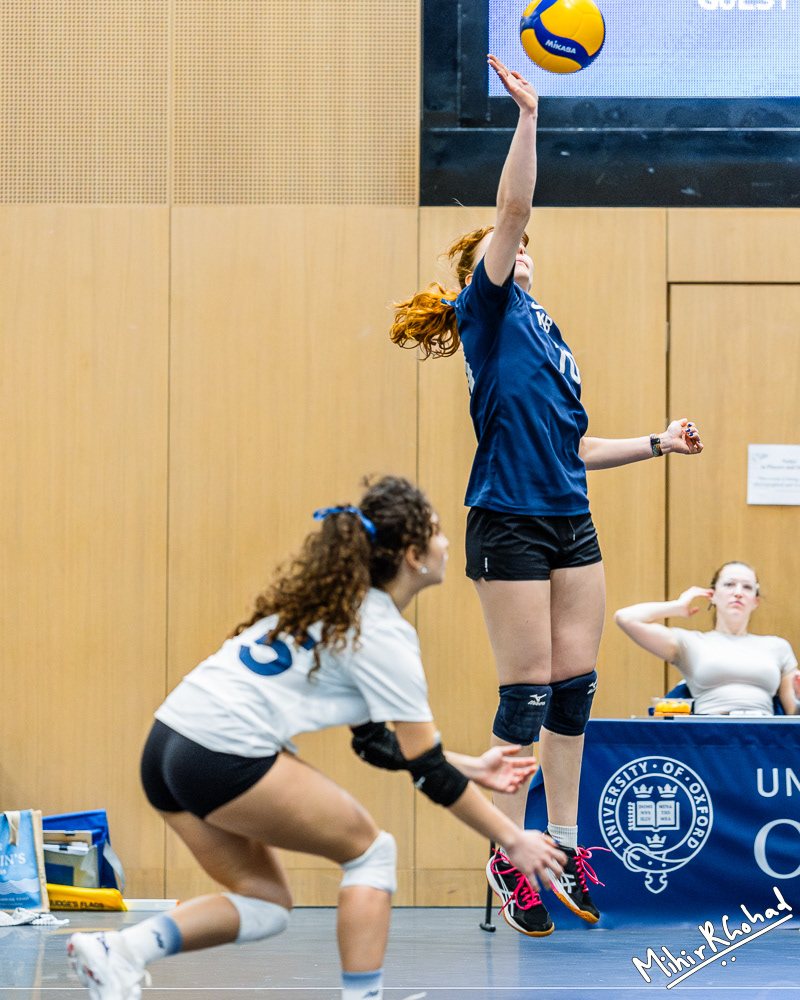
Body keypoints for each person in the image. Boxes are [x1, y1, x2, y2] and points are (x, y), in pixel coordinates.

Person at [389, 55, 704, 936]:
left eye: (523, 248)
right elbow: (514, 206)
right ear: (489, 263)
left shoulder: (550, 332)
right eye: (510, 245)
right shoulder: (485, 311)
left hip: (569, 516)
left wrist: (656, 444)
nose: (523, 249)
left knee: (576, 691)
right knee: (525, 694)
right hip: (508, 520)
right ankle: (506, 847)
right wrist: (528, 119)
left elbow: (573, 447)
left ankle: (563, 848)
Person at [67, 475, 566, 1000]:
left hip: (168, 744)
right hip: (221, 751)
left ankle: (121, 951)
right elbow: (428, 773)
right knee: (372, 854)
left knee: (264, 903)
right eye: (439, 533)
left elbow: (374, 744)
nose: (448, 544)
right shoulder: (383, 632)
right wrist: (514, 840)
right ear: (415, 555)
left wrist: (468, 766)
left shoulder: (335, 608)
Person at [614, 561, 800, 716]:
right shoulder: (689, 643)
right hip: (707, 740)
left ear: (755, 601)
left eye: (747, 587)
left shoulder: (778, 647)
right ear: (712, 595)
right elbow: (625, 618)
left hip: (763, 741)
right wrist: (676, 606)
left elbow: (794, 716)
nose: (738, 592)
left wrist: (798, 699)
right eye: (729, 584)